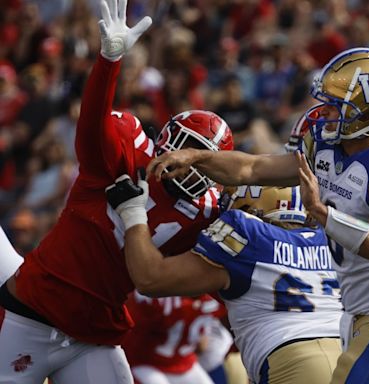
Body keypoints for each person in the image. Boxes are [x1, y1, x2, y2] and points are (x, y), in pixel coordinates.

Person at [147, 47, 369, 383]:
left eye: (336, 105)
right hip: (362, 313)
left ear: (368, 112)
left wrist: (321, 213)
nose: (325, 112)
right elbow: (253, 168)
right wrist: (197, 157)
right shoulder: (328, 149)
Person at [0, 1, 233, 383]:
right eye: (188, 151)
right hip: (34, 313)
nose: (192, 167)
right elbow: (91, 124)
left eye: (204, 162)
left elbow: (230, 278)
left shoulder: (205, 213)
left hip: (94, 334)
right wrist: (109, 63)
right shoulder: (126, 149)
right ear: (167, 142)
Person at [105, 181, 342, 384]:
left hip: (292, 358)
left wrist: (133, 213)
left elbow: (150, 278)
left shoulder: (247, 234)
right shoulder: (326, 240)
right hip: (347, 355)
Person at [123, 292, 231, 384]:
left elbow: (202, 344)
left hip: (183, 360)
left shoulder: (213, 296)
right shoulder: (155, 297)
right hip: (145, 363)